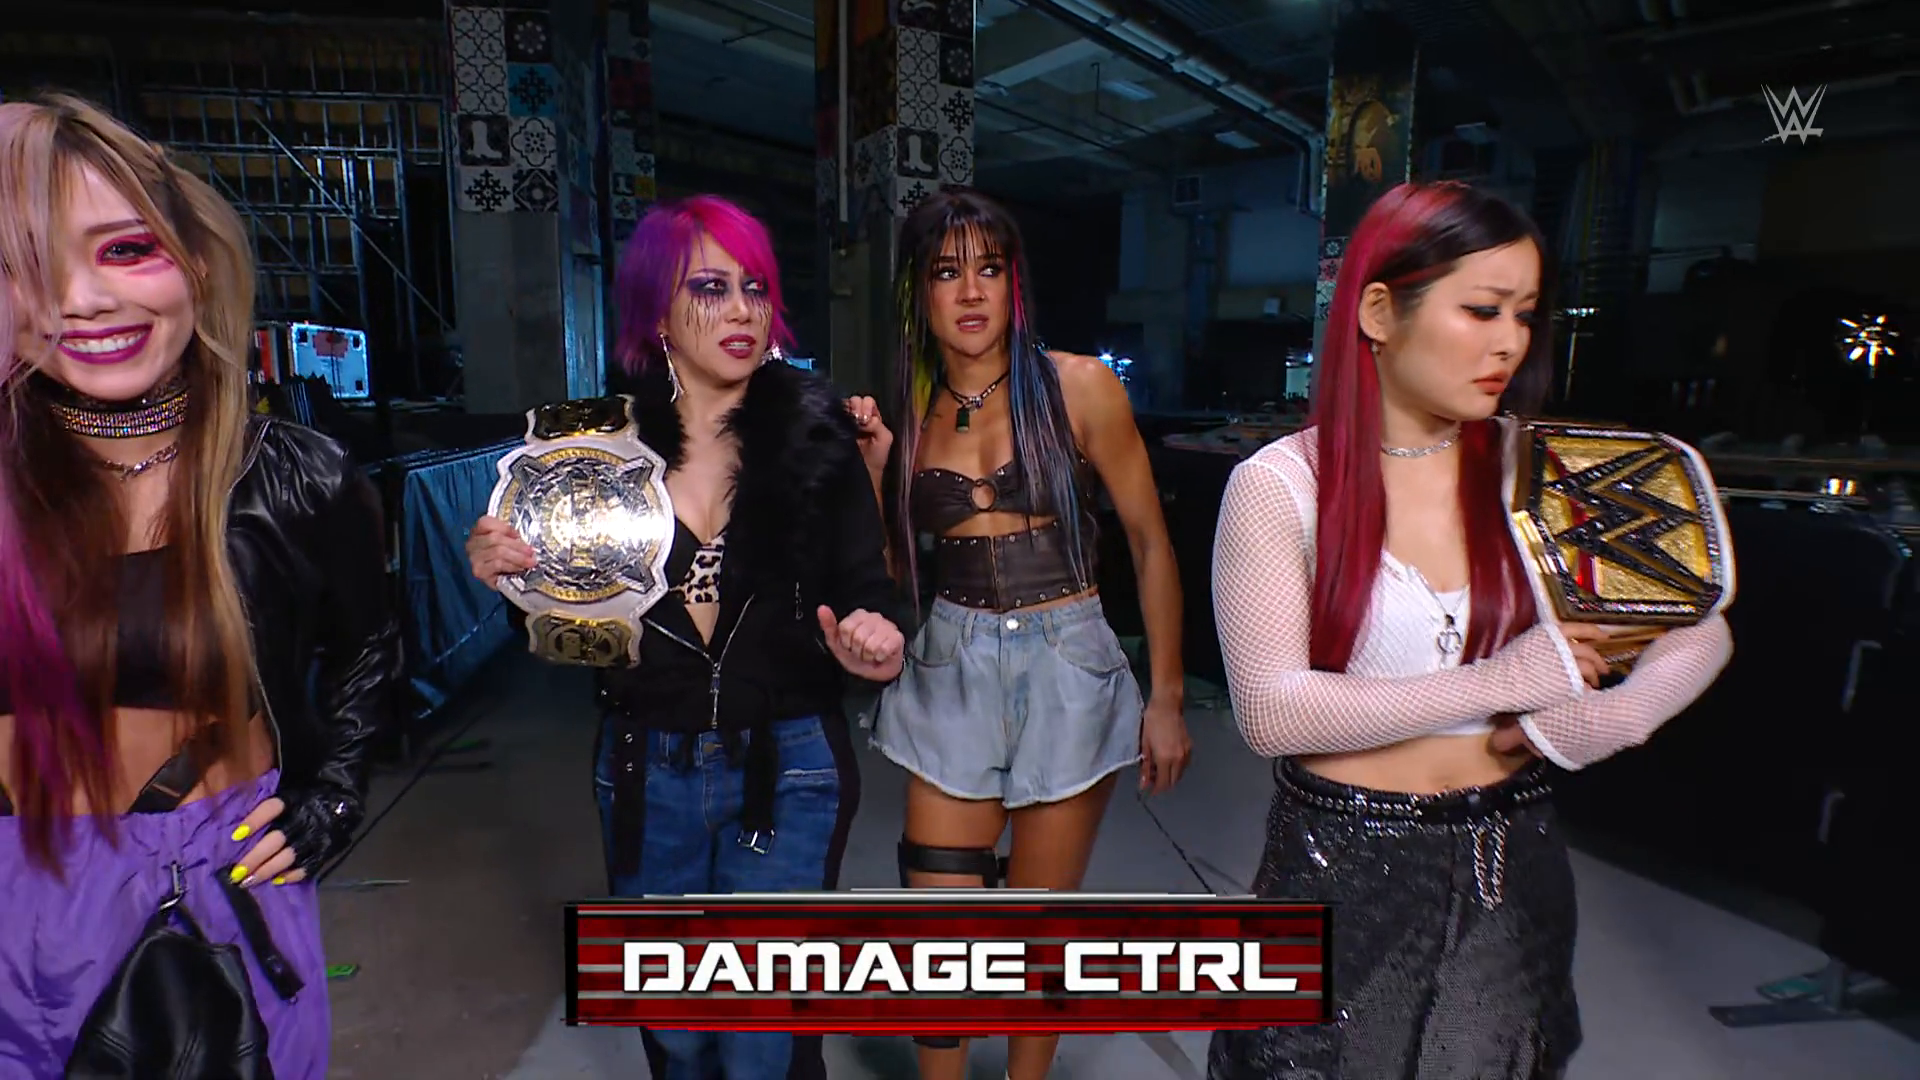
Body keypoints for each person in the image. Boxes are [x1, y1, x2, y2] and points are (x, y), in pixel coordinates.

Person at [1207, 181, 1735, 1079]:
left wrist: (1603, 720)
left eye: (1525, 315)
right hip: (1340, 857)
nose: (1510, 342)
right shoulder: (1282, 483)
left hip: (1513, 852)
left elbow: (1699, 626)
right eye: (1483, 310)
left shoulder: (1549, 470)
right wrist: (1506, 681)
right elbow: (1273, 712)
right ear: (1380, 311)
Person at [0, 95, 399, 1078]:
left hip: (215, 885)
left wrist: (330, 802)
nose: (81, 300)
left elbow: (370, 649)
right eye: (28, 267)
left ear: (200, 263)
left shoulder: (298, 476)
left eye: (126, 249)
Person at [465, 194, 904, 1080]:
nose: (741, 309)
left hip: (790, 764)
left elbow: (869, 592)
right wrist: (509, 574)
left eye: (755, 287)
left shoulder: (820, 438)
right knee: (677, 1029)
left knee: (763, 1036)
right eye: (709, 288)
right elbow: (557, 623)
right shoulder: (589, 454)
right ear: (656, 312)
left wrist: (876, 640)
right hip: (645, 766)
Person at [854, 186, 1191, 1080]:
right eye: (947, 272)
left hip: (1068, 657)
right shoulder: (910, 411)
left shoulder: (1079, 386)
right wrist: (880, 472)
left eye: (990, 269)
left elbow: (1151, 543)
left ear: (1015, 283)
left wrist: (1164, 697)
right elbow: (895, 574)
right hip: (951, 657)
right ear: (919, 292)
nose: (971, 292)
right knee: (941, 929)